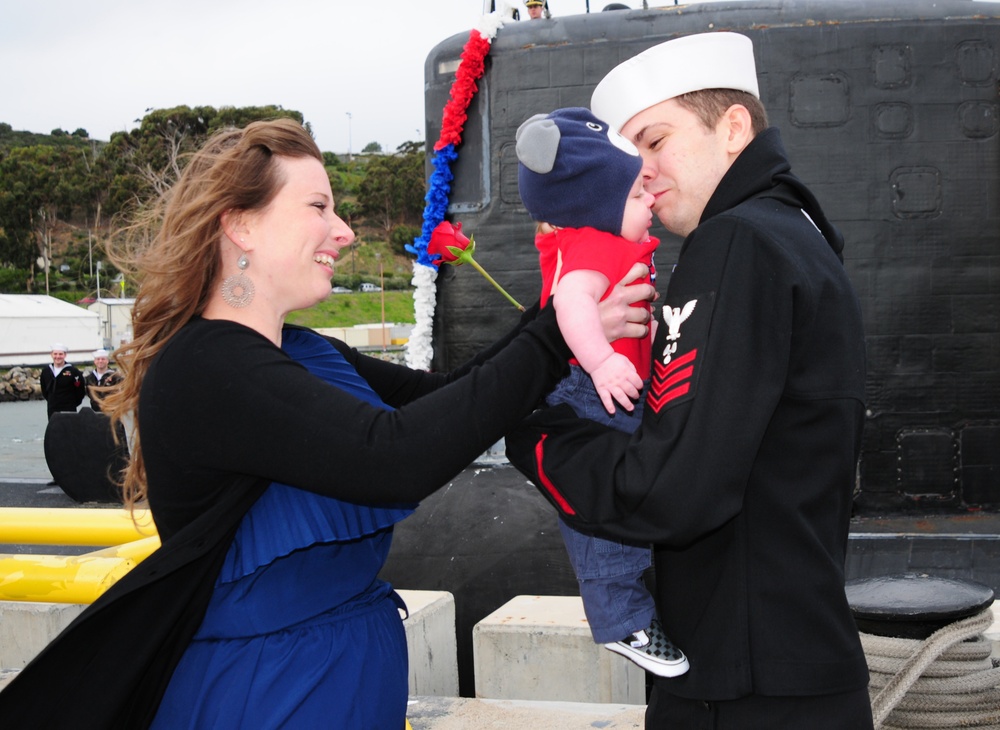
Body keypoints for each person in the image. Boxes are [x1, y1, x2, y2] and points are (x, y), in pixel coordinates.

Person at [0, 118, 654, 729]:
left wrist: (564, 308)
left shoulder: (304, 350)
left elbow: (446, 402)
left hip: (331, 672)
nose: (343, 231)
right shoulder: (207, 365)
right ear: (242, 228)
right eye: (318, 208)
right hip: (271, 690)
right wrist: (549, 338)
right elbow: (394, 458)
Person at [506, 32, 873, 728]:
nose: (639, 172)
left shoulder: (734, 241)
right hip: (796, 664)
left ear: (733, 127)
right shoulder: (800, 234)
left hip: (738, 688)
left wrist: (534, 433)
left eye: (655, 140)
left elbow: (673, 488)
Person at [516, 106, 687, 677]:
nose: (652, 204)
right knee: (600, 507)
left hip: (613, 385)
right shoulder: (592, 245)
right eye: (639, 196)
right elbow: (569, 303)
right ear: (594, 203)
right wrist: (604, 360)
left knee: (623, 496)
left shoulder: (608, 242)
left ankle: (634, 605)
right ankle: (621, 620)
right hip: (592, 390)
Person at [39, 343, 84, 419]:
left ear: (65, 355)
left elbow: (80, 391)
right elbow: (44, 390)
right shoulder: (46, 371)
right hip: (52, 409)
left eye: (60, 354)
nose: (58, 356)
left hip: (69, 409)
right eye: (55, 354)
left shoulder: (73, 371)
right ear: (51, 355)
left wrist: (72, 403)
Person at [83, 348, 122, 412]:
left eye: (103, 359)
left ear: (107, 361)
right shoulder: (89, 378)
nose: (100, 361)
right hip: (95, 411)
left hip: (111, 411)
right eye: (98, 359)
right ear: (95, 361)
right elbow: (88, 393)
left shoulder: (115, 376)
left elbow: (120, 394)